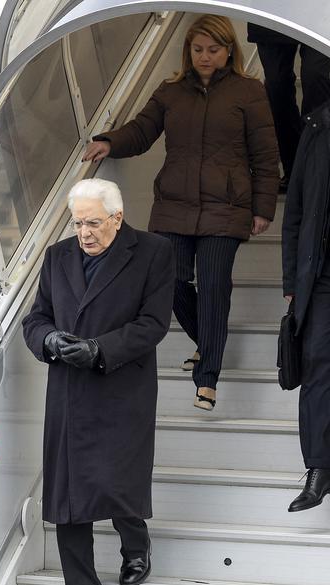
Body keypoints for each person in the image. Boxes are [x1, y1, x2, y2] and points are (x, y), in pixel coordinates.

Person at [83, 14, 279, 411]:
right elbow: (142, 130)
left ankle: (207, 378)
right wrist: (108, 142)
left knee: (212, 287)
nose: (205, 57)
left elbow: (265, 154)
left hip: (226, 208)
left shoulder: (249, 92)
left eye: (213, 50)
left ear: (228, 51)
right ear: (188, 51)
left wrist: (262, 208)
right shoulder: (171, 92)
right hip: (174, 206)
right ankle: (207, 345)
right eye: (198, 49)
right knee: (170, 283)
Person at [22, 179, 175, 585]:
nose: (84, 232)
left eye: (93, 222)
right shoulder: (58, 256)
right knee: (68, 504)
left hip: (120, 385)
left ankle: (135, 543)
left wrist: (100, 349)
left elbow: (153, 324)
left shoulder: (153, 252)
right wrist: (48, 340)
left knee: (116, 481)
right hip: (68, 391)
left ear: (117, 218)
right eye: (78, 223)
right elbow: (36, 318)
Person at [282, 101, 330, 512]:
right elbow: (294, 210)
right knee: (316, 363)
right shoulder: (317, 126)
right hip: (321, 277)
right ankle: (317, 468)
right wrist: (290, 282)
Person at [247, 23, 330, 190]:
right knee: (276, 86)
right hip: (273, 10)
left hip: (319, 11)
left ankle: (314, 168)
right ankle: (293, 168)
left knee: (316, 77)